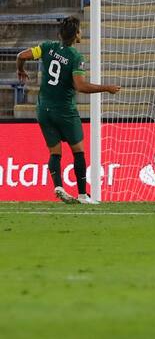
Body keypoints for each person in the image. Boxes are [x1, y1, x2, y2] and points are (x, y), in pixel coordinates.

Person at [16, 16, 120, 204]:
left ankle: (58, 186)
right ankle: (82, 195)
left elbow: (21, 55)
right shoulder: (75, 57)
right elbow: (80, 86)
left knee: (55, 153)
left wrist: (21, 70)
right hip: (64, 110)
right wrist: (107, 88)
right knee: (78, 151)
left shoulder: (47, 47)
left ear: (60, 34)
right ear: (77, 35)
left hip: (43, 109)